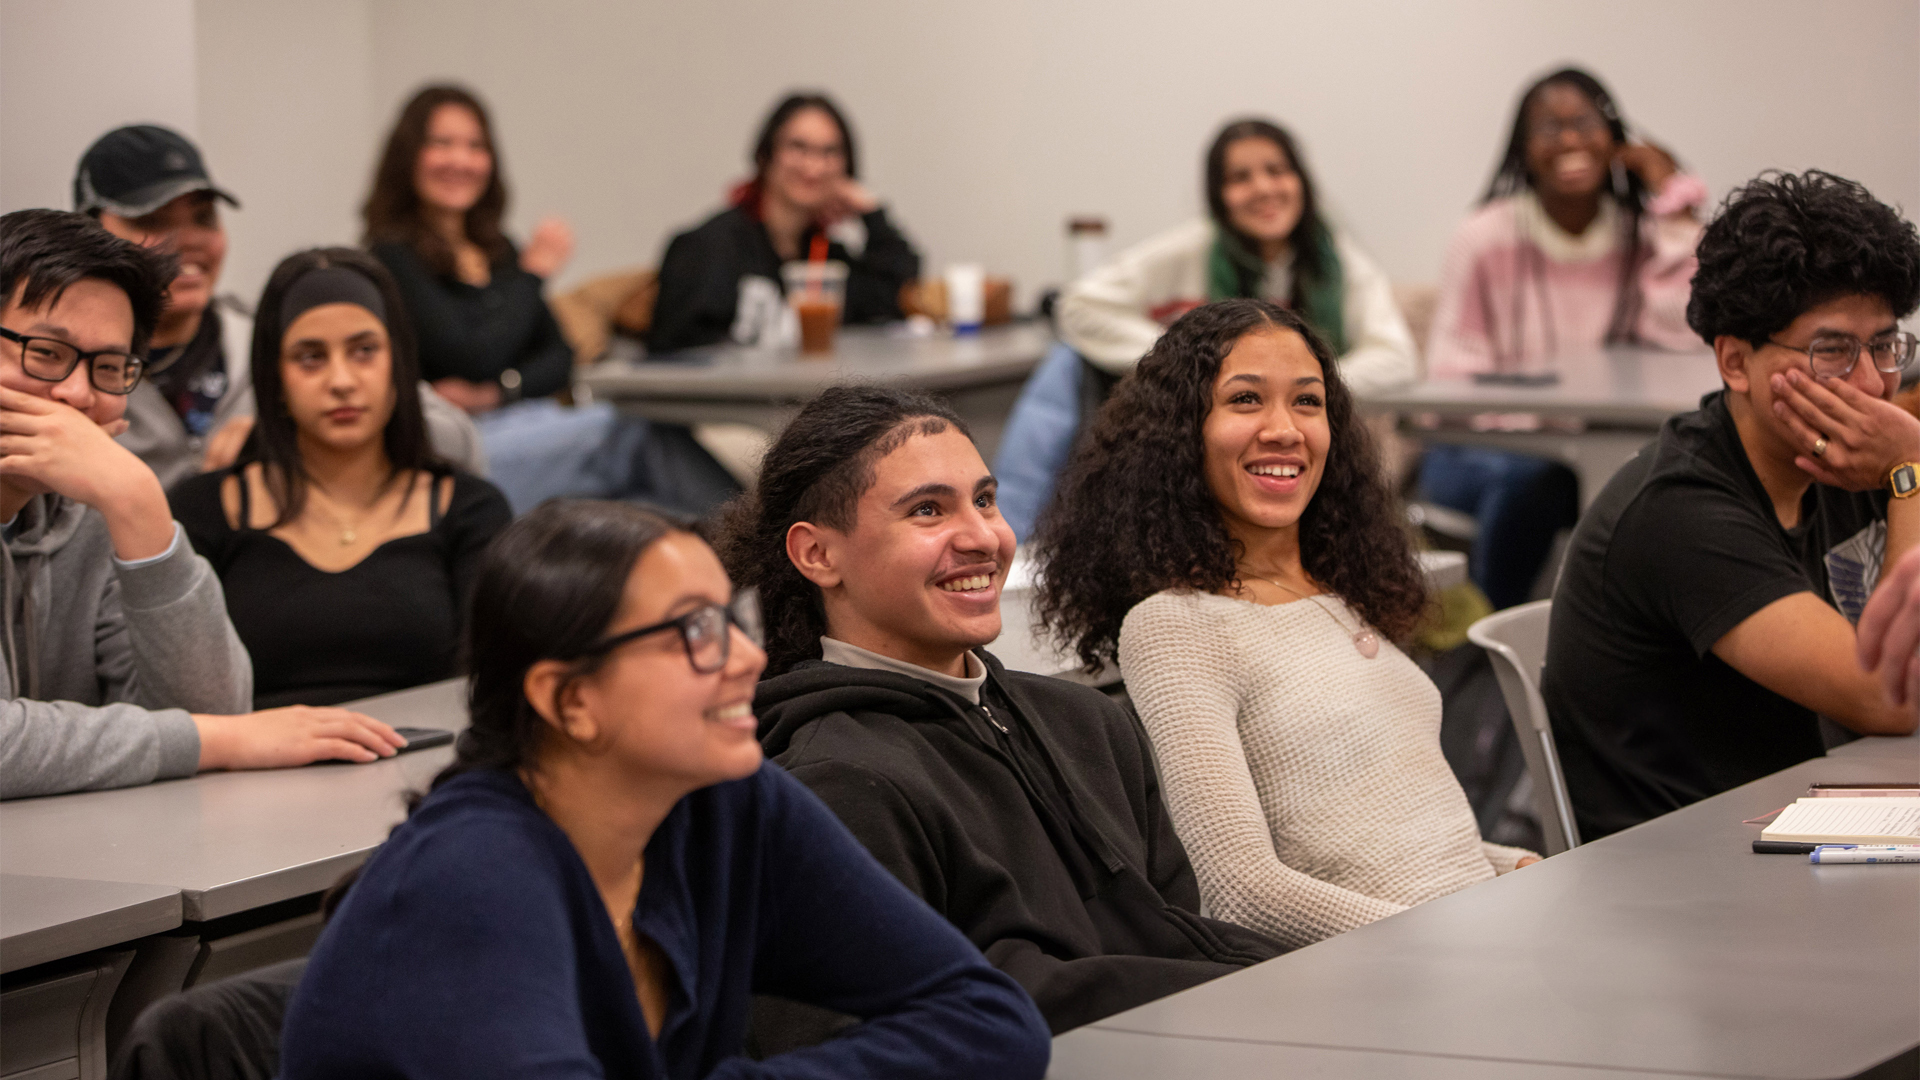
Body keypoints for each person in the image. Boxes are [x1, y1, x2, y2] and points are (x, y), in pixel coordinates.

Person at [279, 499, 1050, 1079]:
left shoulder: (721, 804)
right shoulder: (470, 881)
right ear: (570, 700)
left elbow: (989, 1018)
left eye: (733, 621)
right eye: (695, 634)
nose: (748, 659)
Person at [716, 386, 1283, 1035]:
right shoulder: (831, 782)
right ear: (818, 554)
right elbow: (879, 1038)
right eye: (928, 511)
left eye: (985, 500)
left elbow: (1176, 934)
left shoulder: (1088, 723)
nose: (982, 536)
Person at [1033, 299, 1538, 949]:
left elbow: (1400, 842)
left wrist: (1511, 867)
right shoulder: (1176, 627)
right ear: (1180, 431)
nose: (1285, 429)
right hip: (1387, 978)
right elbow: (1239, 892)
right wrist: (1442, 941)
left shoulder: (1342, 590)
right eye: (1246, 400)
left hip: (1467, 941)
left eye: (1307, 402)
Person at [1542, 170, 1920, 840]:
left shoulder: (1849, 461)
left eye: (1885, 346)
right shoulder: (1680, 509)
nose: (1870, 384)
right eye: (1831, 351)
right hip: (1683, 880)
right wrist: (1912, 473)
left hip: (1814, 824)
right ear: (1735, 363)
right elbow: (1891, 697)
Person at [0, 210, 406, 801]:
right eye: (45, 353)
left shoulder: (90, 504)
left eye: (109, 368)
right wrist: (217, 742)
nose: (78, 394)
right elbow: (220, 735)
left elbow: (209, 707)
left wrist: (138, 505)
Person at [996, 118, 1417, 541]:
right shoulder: (1193, 248)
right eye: (1240, 177)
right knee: (1065, 362)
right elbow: (1080, 306)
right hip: (1191, 444)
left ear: (1301, 181)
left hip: (1299, 451)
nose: (1264, 188)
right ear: (1218, 195)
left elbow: (1396, 358)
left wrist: (1300, 387)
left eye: (1277, 170)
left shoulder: (1337, 262)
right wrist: (1186, 362)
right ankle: (1013, 535)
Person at [364, 85, 736, 515]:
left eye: (475, 145)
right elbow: (470, 354)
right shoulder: (391, 257)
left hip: (518, 423)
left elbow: (559, 357)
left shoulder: (498, 249)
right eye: (442, 144)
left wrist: (494, 395)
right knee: (633, 431)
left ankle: (756, 558)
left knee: (650, 510)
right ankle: (767, 546)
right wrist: (533, 275)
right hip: (454, 451)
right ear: (409, 156)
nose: (460, 161)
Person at [169, 249, 512, 708]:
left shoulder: (472, 509)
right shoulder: (202, 510)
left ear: (399, 364)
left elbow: (495, 690)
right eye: (310, 357)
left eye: (364, 351)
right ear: (276, 380)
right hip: (253, 769)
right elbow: (181, 701)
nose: (342, 380)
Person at [1421, 68, 1708, 609]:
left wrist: (1675, 210)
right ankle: (1490, 646)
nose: (1571, 140)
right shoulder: (1483, 237)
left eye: (1584, 123)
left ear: (1615, 138)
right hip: (1484, 450)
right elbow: (1450, 377)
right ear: (1523, 148)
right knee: (1538, 480)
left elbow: (1680, 344)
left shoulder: (1639, 236)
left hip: (1600, 452)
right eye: (1550, 128)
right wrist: (1544, 429)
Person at [74, 124, 484, 488]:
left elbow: (456, 437)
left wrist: (289, 427)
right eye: (154, 221)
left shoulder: (277, 340)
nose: (189, 241)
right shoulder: (65, 371)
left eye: (203, 218)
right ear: (88, 232)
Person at [647, 92, 921, 354]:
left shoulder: (823, 256)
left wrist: (871, 213)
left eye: (830, 152)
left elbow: (894, 292)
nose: (814, 167)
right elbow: (673, 356)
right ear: (766, 154)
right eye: (798, 147)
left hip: (807, 397)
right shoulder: (711, 247)